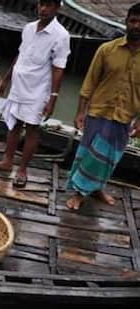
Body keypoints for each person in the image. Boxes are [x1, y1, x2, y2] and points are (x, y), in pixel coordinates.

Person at [66, 3, 140, 210]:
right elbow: (89, 82)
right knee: (89, 156)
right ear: (126, 23)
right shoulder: (107, 50)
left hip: (125, 117)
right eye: (133, 21)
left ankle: (97, 188)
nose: (137, 26)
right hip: (99, 112)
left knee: (109, 159)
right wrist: (80, 111)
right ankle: (79, 193)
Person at [0, 0, 70, 188]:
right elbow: (21, 54)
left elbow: (59, 68)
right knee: (14, 123)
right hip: (19, 85)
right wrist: (6, 79)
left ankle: (23, 170)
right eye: (42, 4)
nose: (43, 9)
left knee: (33, 128)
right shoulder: (28, 28)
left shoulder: (61, 35)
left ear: (57, 8)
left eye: (49, 5)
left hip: (38, 89)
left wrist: (53, 98)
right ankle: (7, 161)